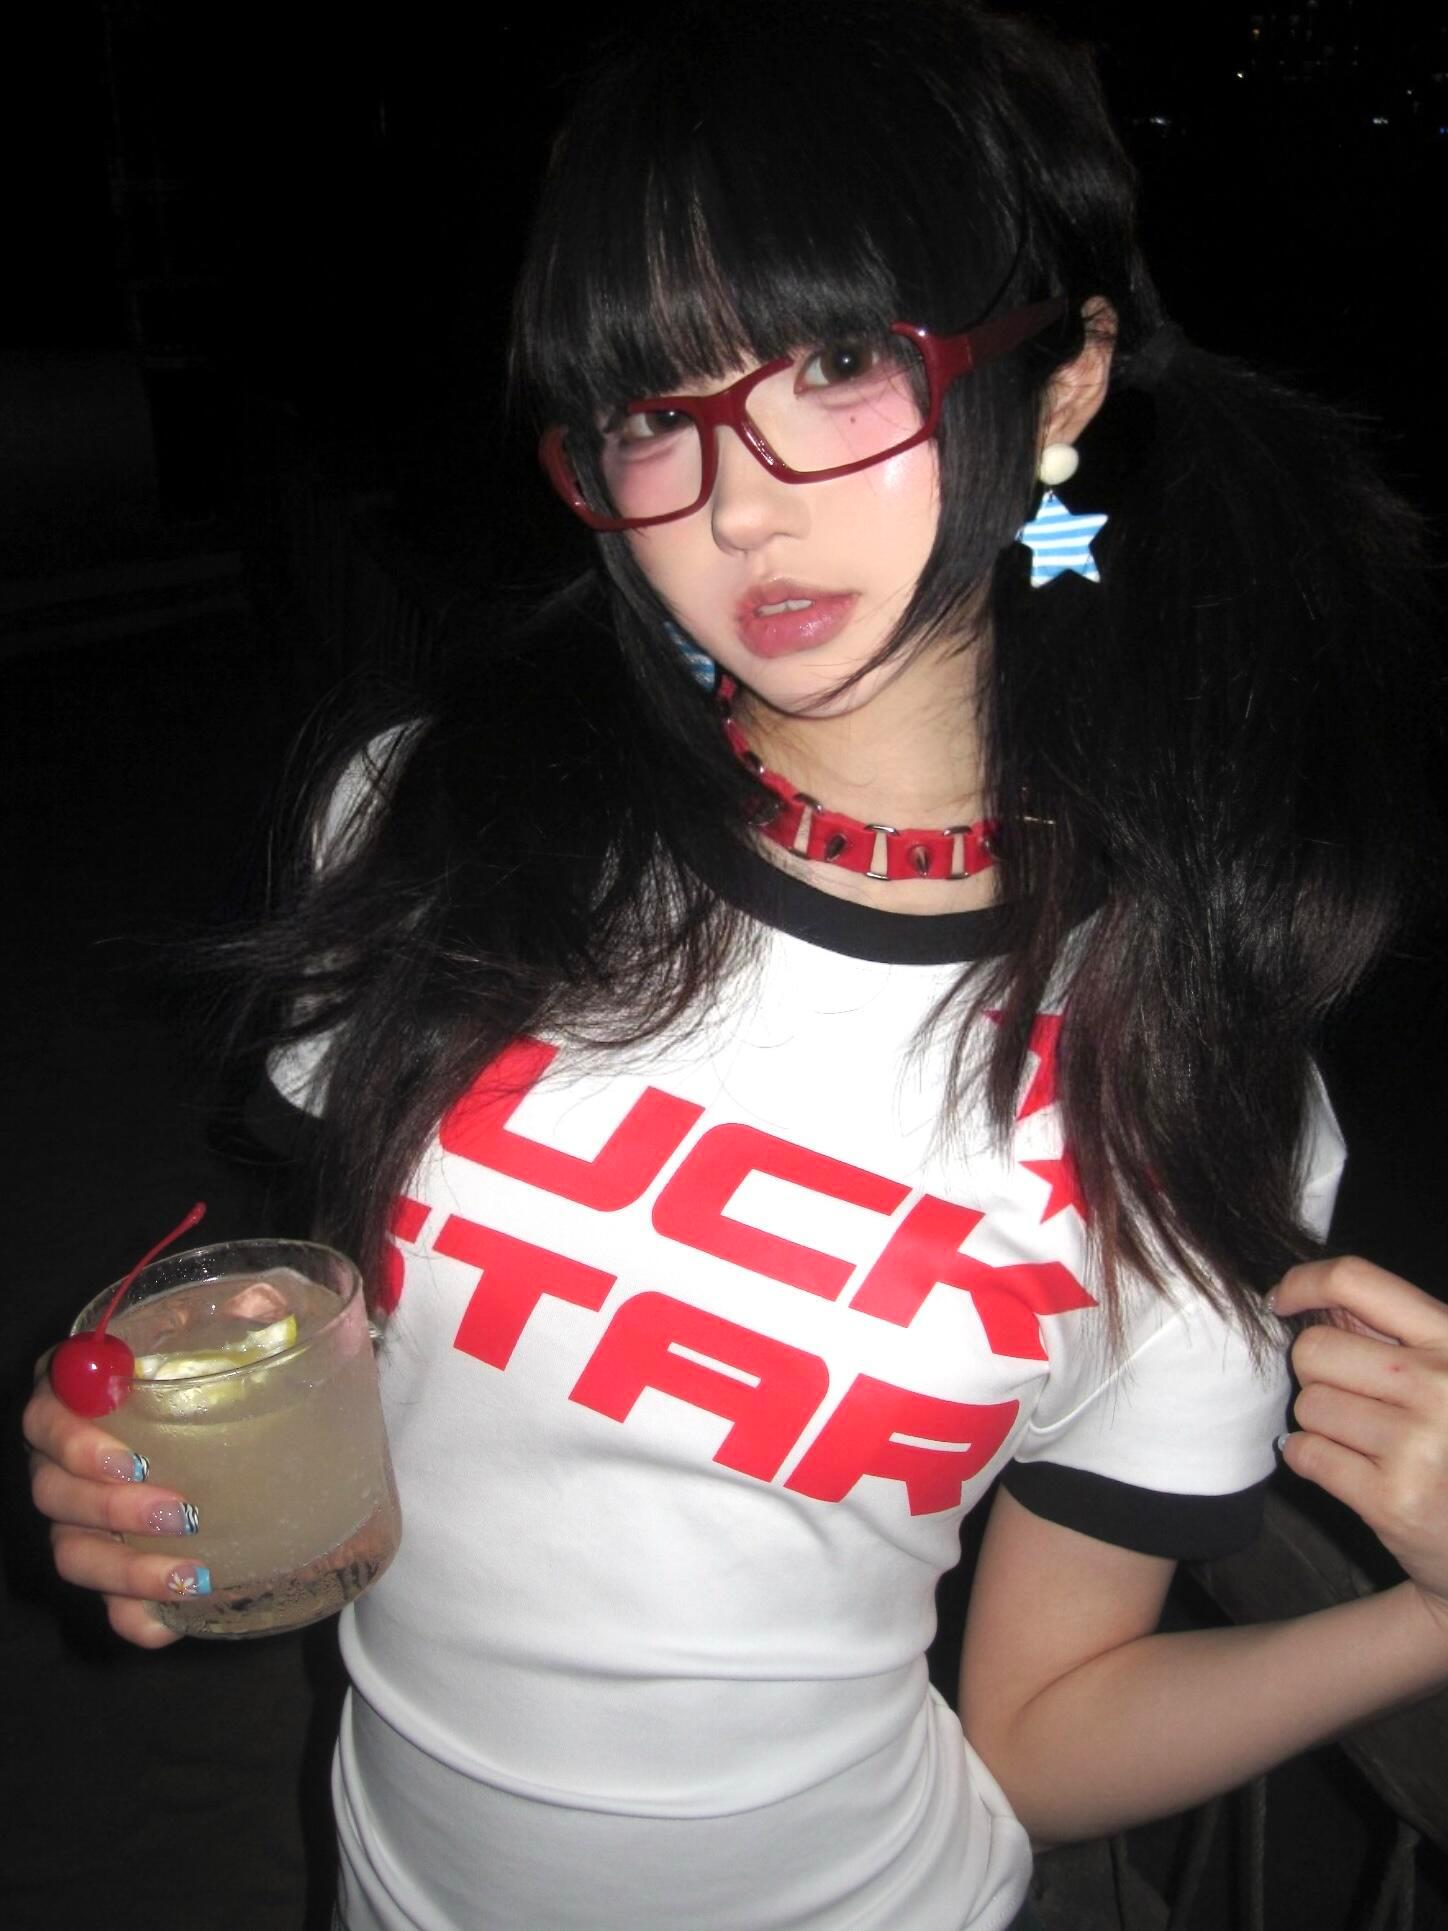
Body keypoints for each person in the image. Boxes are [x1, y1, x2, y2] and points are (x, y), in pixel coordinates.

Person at [24, 4, 1448, 1927]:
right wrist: (165, 1461)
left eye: (841, 365)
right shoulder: (439, 821)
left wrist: (1437, 1617)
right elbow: (386, 1326)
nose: (738, 501)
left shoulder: (1187, 1057)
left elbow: (1041, 1733)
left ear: (1063, 380)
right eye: (650, 413)